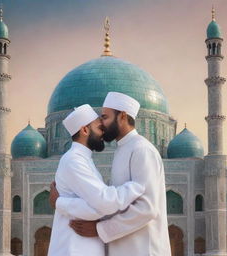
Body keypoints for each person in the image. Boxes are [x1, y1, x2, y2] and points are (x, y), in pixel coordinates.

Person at [50, 92, 171, 256]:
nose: (103, 125)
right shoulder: (120, 150)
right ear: (84, 130)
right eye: (99, 122)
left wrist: (101, 229)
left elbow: (147, 208)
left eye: (105, 118)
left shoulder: (142, 149)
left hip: (143, 249)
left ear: (122, 116)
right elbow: (105, 202)